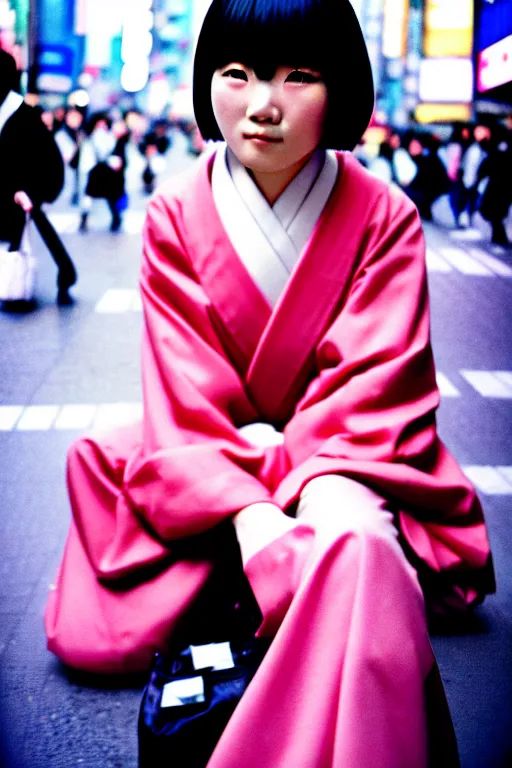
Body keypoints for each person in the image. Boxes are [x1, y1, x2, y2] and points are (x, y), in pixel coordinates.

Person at [45, 1, 494, 765]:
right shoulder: (174, 215)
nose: (261, 105)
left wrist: (274, 476)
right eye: (238, 74)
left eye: (299, 77)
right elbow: (183, 392)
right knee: (106, 458)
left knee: (353, 540)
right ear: (207, 81)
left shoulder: (385, 216)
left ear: (340, 89)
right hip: (220, 449)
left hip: (339, 458)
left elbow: (373, 389)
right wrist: (255, 518)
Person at [0, 49, 77, 306]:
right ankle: (66, 271)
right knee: (38, 227)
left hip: (30, 185)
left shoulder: (22, 115)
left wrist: (27, 191)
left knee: (23, 228)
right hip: (14, 187)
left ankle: (17, 284)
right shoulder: (6, 109)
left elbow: (42, 161)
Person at [79, 113, 128, 233]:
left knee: (111, 197)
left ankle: (116, 218)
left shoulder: (111, 138)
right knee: (88, 196)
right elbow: (87, 157)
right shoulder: (90, 140)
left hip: (108, 172)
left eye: (104, 125)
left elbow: (116, 154)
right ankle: (84, 218)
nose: (101, 128)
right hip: (96, 171)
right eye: (99, 125)